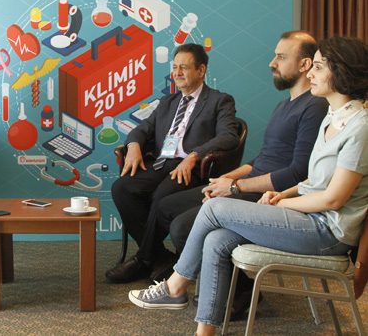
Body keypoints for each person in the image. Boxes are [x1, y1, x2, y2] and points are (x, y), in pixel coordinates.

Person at [128, 36, 368, 336]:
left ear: (341, 72)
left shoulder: (359, 127)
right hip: (307, 215)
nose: (311, 74)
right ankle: (204, 332)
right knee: (217, 238)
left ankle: (175, 286)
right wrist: (283, 193)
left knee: (214, 208)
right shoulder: (332, 118)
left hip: (326, 231)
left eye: (318, 67)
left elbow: (333, 199)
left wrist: (280, 202)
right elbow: (314, 180)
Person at [149, 31, 328, 316]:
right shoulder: (284, 105)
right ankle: (225, 283)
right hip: (248, 184)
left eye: (281, 57)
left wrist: (236, 188)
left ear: (304, 65)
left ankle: (240, 293)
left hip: (270, 194)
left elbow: (298, 172)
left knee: (182, 227)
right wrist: (228, 179)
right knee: (167, 207)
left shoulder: (315, 107)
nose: (272, 63)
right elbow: (262, 159)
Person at [106, 43, 240, 283]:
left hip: (191, 169)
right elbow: (142, 129)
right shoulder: (167, 102)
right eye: (175, 67)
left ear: (201, 70)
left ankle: (143, 260)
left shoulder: (220, 101)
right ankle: (159, 257)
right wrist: (134, 146)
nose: (177, 73)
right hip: (161, 164)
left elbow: (229, 136)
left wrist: (194, 155)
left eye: (184, 67)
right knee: (122, 187)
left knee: (162, 197)